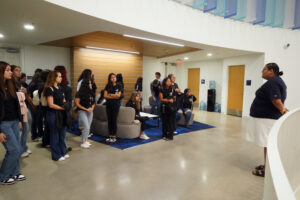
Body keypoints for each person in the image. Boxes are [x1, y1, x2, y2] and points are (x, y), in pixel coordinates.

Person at [244, 63, 287, 177]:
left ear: (271, 71)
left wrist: (283, 110)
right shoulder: (276, 81)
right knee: (267, 144)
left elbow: (276, 100)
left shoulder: (273, 82)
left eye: (264, 70)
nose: (262, 72)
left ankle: (267, 170)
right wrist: (282, 109)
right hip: (266, 118)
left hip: (267, 119)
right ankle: (267, 165)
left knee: (268, 144)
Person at [0, 61, 26, 185]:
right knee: (14, 150)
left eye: (11, 70)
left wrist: (20, 120)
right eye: (8, 70)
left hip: (15, 121)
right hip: (4, 124)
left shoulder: (10, 86)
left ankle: (15, 172)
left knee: (18, 148)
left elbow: (16, 104)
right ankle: (3, 175)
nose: (11, 72)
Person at [43, 71, 69, 161]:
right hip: (53, 114)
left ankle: (63, 152)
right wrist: (62, 108)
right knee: (55, 135)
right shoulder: (49, 89)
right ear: (54, 78)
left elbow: (64, 100)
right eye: (59, 76)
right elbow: (51, 104)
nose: (61, 78)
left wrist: (66, 105)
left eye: (61, 76)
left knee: (62, 135)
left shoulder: (60, 88)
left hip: (61, 114)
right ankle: (56, 155)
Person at [54, 66, 73, 152]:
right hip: (61, 112)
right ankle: (61, 148)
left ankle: (61, 147)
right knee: (61, 133)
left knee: (58, 133)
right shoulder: (65, 88)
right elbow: (68, 103)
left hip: (55, 112)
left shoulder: (53, 87)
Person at [75, 79, 96, 148]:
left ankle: (85, 140)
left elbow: (94, 102)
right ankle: (82, 142)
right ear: (85, 85)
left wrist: (92, 108)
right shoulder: (79, 93)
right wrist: (86, 109)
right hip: (82, 111)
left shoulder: (91, 92)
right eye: (89, 83)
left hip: (90, 111)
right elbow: (77, 104)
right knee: (86, 127)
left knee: (88, 127)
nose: (91, 85)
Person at [104, 73, 122, 143]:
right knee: (109, 120)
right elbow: (105, 95)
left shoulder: (119, 85)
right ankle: (110, 135)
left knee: (114, 120)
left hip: (116, 105)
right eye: (112, 77)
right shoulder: (107, 86)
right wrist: (114, 96)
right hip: (108, 105)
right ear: (109, 78)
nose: (113, 78)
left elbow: (119, 96)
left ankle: (114, 135)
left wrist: (111, 94)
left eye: (114, 77)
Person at [27, 71, 43, 141]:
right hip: (34, 104)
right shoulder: (34, 84)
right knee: (36, 120)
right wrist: (33, 105)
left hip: (34, 104)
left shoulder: (32, 83)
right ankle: (35, 135)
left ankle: (38, 134)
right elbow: (28, 96)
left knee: (37, 120)